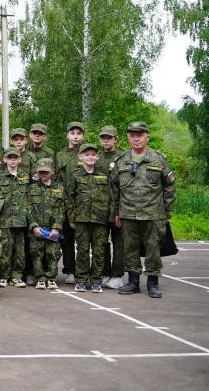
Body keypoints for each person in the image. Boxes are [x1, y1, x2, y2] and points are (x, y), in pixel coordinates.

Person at [111, 121, 176, 299]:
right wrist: (116, 212)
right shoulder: (121, 161)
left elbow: (169, 186)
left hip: (153, 214)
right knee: (130, 248)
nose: (136, 138)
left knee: (153, 248)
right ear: (127, 137)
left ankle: (153, 283)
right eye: (132, 135)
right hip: (127, 213)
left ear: (147, 136)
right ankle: (133, 282)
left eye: (140, 135)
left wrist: (166, 211)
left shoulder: (158, 159)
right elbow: (114, 189)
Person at [67, 144, 111, 293]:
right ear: (80, 157)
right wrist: (71, 217)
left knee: (99, 251)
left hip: (100, 219)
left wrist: (109, 217)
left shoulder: (104, 175)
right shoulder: (75, 174)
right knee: (83, 251)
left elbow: (111, 196)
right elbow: (70, 197)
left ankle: (96, 280)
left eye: (93, 154)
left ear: (97, 157)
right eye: (87, 155)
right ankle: (81, 280)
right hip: (82, 219)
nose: (90, 157)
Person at [0, 149, 31, 288]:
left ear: (20, 159)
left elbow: (29, 197)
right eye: (10, 158)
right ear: (5, 159)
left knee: (19, 250)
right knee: (5, 249)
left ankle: (16, 276)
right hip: (4, 219)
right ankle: (3, 276)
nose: (13, 160)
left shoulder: (25, 176)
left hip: (21, 219)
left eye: (15, 158)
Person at [55, 121, 86, 283]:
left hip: (83, 202)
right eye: (72, 133)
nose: (75, 136)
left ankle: (83, 270)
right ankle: (70, 271)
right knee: (66, 239)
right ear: (67, 135)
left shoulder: (88, 153)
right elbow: (56, 178)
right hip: (65, 201)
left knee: (83, 239)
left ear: (83, 136)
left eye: (79, 133)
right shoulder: (60, 155)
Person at [97, 125, 126, 289]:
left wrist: (122, 208)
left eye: (109, 137)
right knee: (101, 242)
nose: (106, 140)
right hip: (100, 207)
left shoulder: (123, 157)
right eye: (103, 137)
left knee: (119, 242)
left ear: (116, 139)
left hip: (119, 206)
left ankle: (117, 274)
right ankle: (104, 272)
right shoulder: (96, 157)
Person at [28, 159, 64, 290]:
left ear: (52, 171)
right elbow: (27, 208)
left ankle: (51, 277)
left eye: (46, 172)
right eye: (41, 172)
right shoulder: (32, 188)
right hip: (37, 229)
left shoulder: (59, 188)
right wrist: (34, 225)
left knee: (52, 254)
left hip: (52, 229)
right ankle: (40, 278)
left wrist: (57, 226)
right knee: (36, 253)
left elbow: (63, 208)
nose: (44, 174)